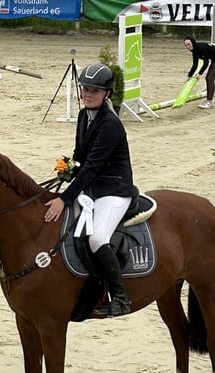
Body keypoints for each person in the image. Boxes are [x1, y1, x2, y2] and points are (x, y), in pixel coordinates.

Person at [44, 62, 137, 317]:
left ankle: (120, 296)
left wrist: (64, 198)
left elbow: (92, 167)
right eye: (85, 89)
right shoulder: (85, 115)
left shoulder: (110, 124)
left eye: (94, 91)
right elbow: (80, 156)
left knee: (97, 238)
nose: (87, 94)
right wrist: (66, 170)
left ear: (107, 94)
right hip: (93, 187)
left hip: (114, 190)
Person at [183, 35, 215, 109]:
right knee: (208, 78)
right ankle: (208, 100)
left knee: (210, 78)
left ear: (193, 43)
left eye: (188, 44)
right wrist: (189, 76)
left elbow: (206, 63)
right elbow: (195, 65)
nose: (187, 47)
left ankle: (209, 102)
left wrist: (200, 74)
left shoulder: (200, 48)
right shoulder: (194, 51)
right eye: (186, 45)